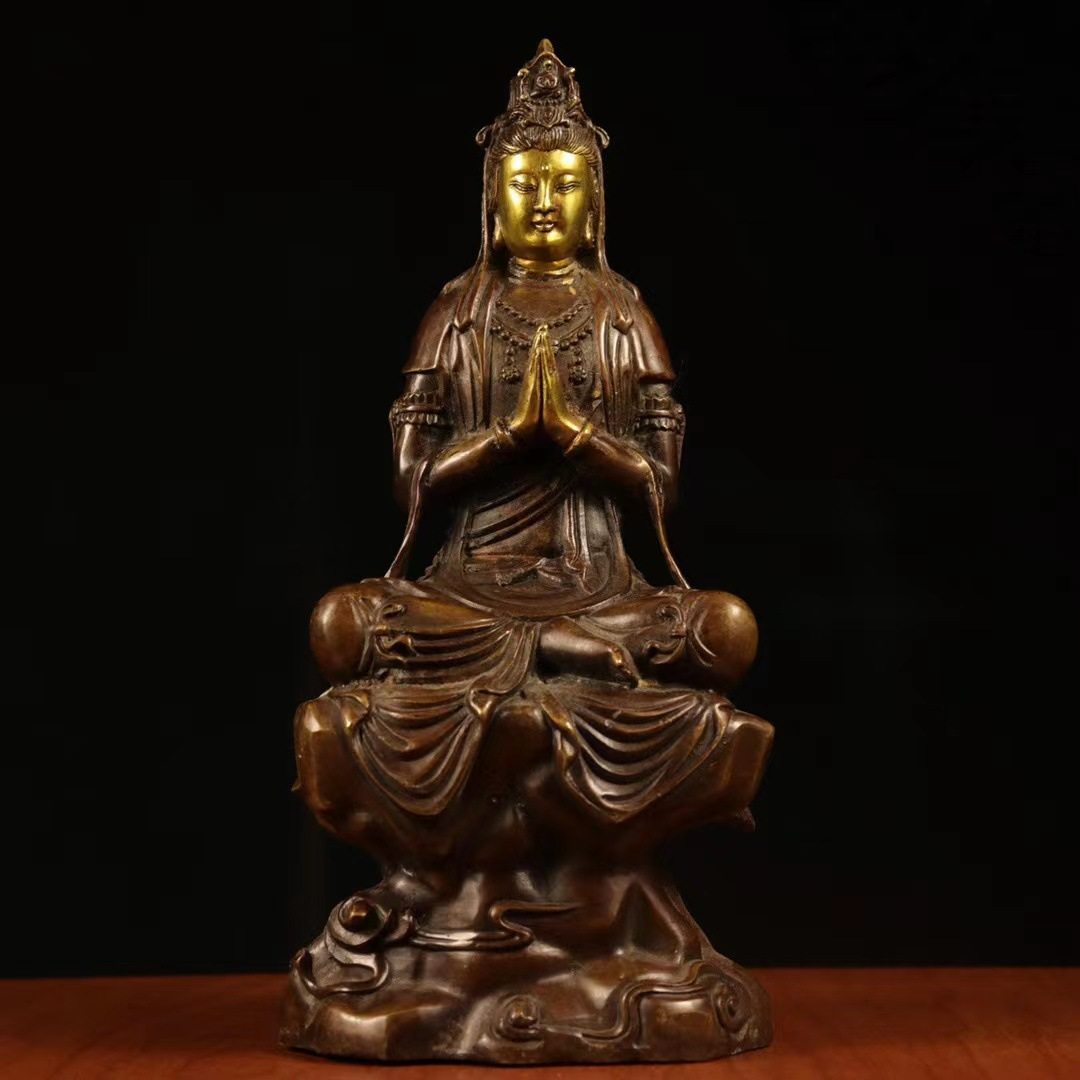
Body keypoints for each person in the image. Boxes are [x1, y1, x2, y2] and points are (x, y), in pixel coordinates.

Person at [300, 39, 764, 822]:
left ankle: (551, 648)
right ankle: (549, 652)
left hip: (601, 589)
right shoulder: (457, 314)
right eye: (524, 183)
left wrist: (575, 436)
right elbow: (411, 479)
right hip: (467, 590)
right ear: (494, 200)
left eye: (565, 183)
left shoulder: (622, 315)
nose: (544, 201)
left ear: (594, 204)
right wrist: (509, 440)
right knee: (341, 624)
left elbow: (661, 483)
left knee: (725, 628)